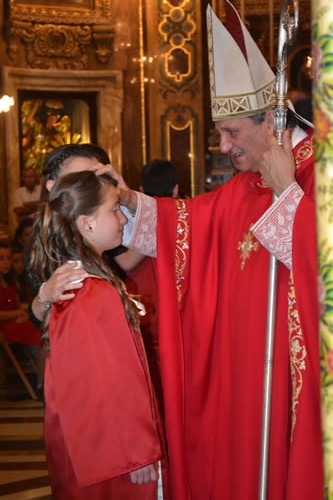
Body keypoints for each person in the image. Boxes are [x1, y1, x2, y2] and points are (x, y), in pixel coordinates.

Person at [106, 3, 322, 498]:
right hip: (246, 379)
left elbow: (320, 268)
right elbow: (187, 224)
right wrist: (127, 200)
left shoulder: (317, 172)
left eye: (231, 133)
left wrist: (289, 192)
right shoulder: (241, 187)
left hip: (298, 382)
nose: (222, 146)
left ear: (271, 121)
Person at [29, 170, 163, 498]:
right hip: (113, 455)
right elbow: (111, 379)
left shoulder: (80, 280)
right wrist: (137, 448)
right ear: (87, 223)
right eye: (114, 210)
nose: (121, 219)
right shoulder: (93, 292)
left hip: (92, 446)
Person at [0, 244, 44, 389]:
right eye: (1, 259)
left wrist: (24, 312)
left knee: (42, 329)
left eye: (8, 259)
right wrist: (19, 313)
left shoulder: (12, 283)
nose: (6, 262)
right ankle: (42, 380)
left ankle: (44, 375)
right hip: (5, 326)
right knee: (38, 335)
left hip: (16, 322)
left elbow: (18, 305)